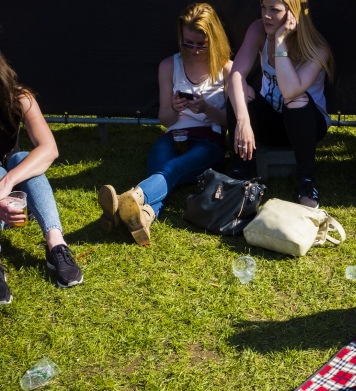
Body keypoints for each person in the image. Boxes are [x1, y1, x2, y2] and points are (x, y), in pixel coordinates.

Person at [98, 3, 232, 245]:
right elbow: (165, 120)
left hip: (209, 139)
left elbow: (231, 122)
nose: (195, 50)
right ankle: (145, 216)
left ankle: (124, 201)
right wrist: (174, 108)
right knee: (160, 171)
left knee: (171, 170)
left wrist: (207, 109)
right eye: (188, 43)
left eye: (201, 44)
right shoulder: (169, 65)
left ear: (214, 38)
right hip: (174, 134)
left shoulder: (226, 68)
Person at [228, 0, 334, 208]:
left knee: (295, 99)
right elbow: (236, 75)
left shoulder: (319, 49)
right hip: (271, 122)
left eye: (274, 10)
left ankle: (306, 183)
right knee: (241, 92)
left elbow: (290, 90)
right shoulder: (258, 29)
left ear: (293, 14)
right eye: (263, 7)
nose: (266, 15)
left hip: (307, 126)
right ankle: (242, 175)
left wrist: (279, 41)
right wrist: (243, 121)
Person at [0, 51, 83, 304]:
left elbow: (49, 148)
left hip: (5, 174)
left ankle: (56, 244)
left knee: (22, 157)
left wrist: (8, 182)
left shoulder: (20, 98)